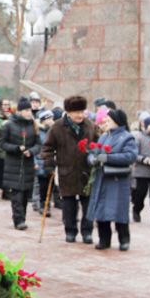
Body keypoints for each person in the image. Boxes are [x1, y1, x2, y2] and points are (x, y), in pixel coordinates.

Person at [41, 96, 98, 244]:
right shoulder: (58, 127)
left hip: (87, 171)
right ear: (68, 112)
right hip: (67, 171)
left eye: (82, 111)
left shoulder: (91, 126)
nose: (80, 115)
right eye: (76, 112)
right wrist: (49, 162)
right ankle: (70, 231)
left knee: (88, 204)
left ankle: (87, 232)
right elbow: (47, 147)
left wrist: (97, 156)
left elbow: (98, 144)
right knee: (69, 204)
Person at [87, 109, 138, 250]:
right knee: (102, 211)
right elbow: (94, 152)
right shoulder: (103, 136)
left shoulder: (127, 137)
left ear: (117, 121)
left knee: (119, 211)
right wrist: (91, 158)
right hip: (102, 178)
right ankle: (104, 239)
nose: (105, 122)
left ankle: (124, 239)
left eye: (108, 120)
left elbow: (130, 156)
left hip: (118, 179)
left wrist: (108, 158)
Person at [0, 97, 41, 230]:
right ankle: (18, 220)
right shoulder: (9, 125)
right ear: (20, 111)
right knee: (16, 194)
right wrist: (16, 148)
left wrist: (32, 151)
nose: (29, 112)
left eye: (30, 109)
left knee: (24, 195)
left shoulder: (34, 125)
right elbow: (2, 144)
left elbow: (38, 144)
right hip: (13, 164)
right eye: (26, 110)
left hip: (28, 164)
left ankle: (22, 217)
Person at [32, 110, 56, 215]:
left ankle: (47, 205)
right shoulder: (37, 132)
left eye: (52, 118)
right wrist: (34, 162)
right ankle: (40, 204)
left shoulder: (54, 131)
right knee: (41, 184)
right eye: (48, 119)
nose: (51, 121)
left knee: (50, 185)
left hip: (51, 162)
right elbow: (34, 147)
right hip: (40, 161)